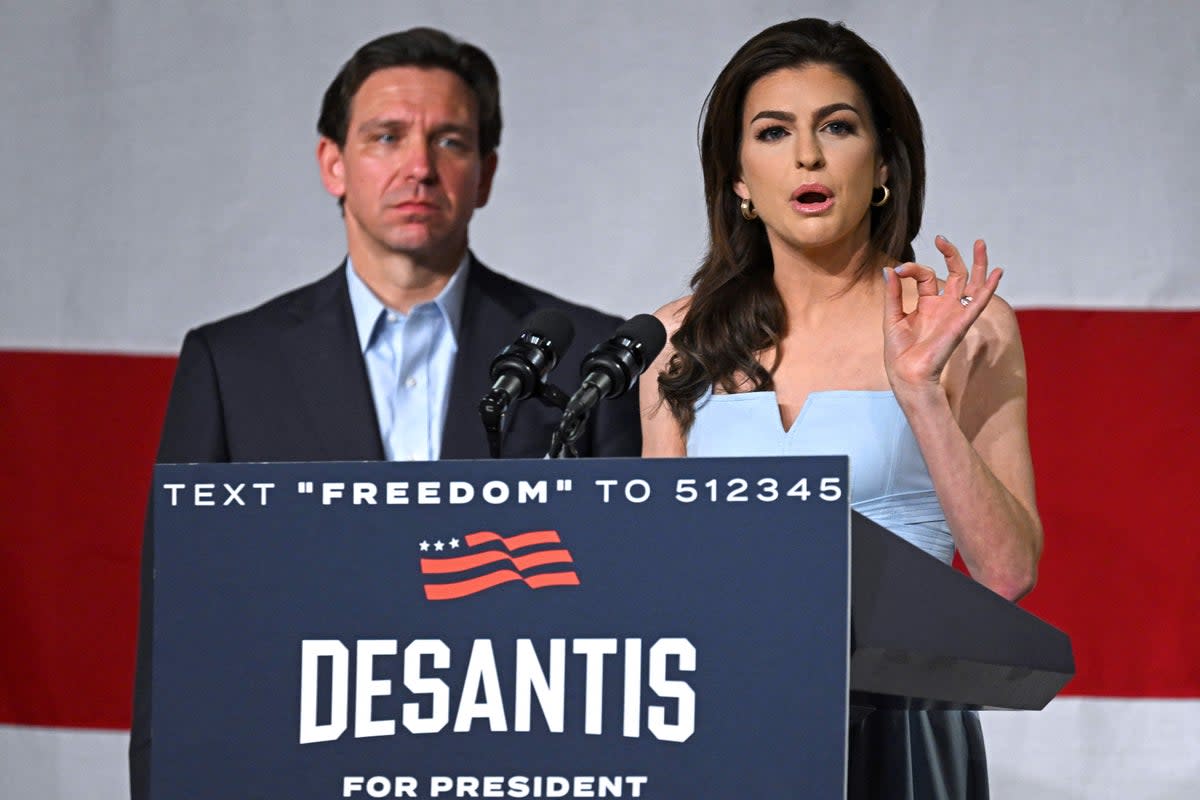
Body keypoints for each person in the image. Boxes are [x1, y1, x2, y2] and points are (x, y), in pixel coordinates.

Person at [129, 27, 640, 799]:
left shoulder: (585, 358)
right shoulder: (231, 365)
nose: (419, 168)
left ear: (487, 173)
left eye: (450, 141)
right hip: (292, 766)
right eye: (386, 137)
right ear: (333, 163)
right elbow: (181, 627)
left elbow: (631, 618)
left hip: (520, 769)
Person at [640, 18, 1042, 800]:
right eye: (773, 132)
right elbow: (663, 582)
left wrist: (920, 390)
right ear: (738, 180)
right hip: (723, 726)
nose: (808, 156)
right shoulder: (674, 340)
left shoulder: (964, 325)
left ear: (884, 161)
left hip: (899, 725)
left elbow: (1007, 573)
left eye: (838, 126)